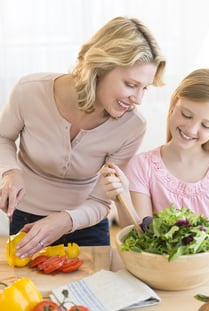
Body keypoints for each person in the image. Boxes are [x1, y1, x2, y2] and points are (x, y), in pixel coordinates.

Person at [0, 16, 166, 258]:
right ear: (100, 67)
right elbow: (3, 137)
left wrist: (65, 220)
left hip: (87, 224)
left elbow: (101, 201)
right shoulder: (30, 90)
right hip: (27, 221)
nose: (138, 99)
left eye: (145, 88)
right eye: (131, 85)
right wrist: (10, 172)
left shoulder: (133, 126)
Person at [101, 68, 209, 245]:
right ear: (174, 102)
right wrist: (122, 199)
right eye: (186, 115)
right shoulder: (142, 166)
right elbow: (139, 239)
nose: (191, 129)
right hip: (167, 271)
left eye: (206, 125)